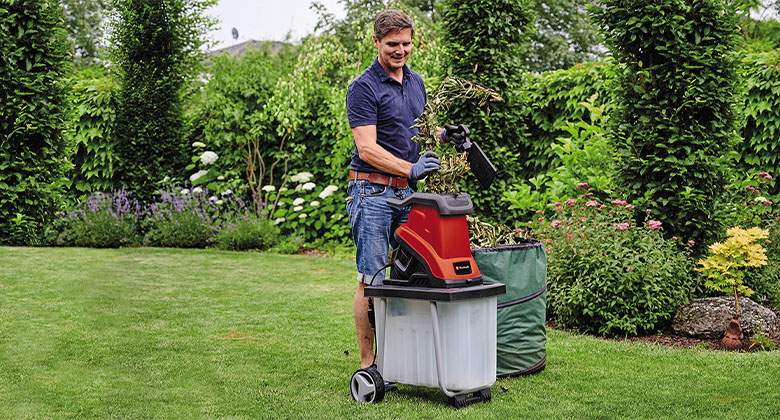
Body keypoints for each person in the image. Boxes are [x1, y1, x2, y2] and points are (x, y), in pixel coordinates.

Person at [345, 9, 441, 369]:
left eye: (406, 44)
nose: (400, 50)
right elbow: (366, 148)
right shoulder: (363, 87)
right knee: (371, 281)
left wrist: (447, 135)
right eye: (392, 45)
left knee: (411, 276)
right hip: (372, 194)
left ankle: (403, 359)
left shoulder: (416, 83)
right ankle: (369, 365)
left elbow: (419, 131)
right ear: (376, 42)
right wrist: (410, 169)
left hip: (408, 195)